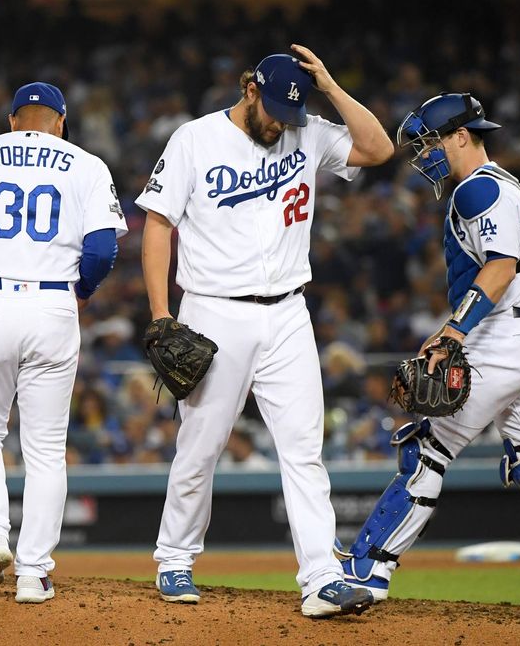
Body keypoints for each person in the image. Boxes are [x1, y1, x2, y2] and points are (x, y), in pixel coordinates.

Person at [337, 93, 520, 616]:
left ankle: (367, 570)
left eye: (429, 143)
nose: (424, 156)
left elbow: (499, 265)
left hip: (503, 336)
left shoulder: (477, 189)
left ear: (461, 136)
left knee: (427, 447)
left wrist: (453, 331)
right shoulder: (502, 184)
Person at [136, 45, 393, 618]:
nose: (281, 122)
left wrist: (327, 85)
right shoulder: (194, 139)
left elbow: (379, 148)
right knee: (200, 446)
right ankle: (175, 557)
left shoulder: (307, 129)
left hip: (288, 312)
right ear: (249, 88)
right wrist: (160, 313)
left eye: (290, 111)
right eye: (274, 107)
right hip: (214, 310)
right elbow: (157, 226)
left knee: (305, 448)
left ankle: (321, 576)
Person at [0, 82, 126, 603]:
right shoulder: (85, 163)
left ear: (13, 120)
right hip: (53, 304)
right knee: (46, 449)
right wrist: (82, 289)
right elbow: (102, 248)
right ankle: (34, 573)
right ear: (60, 121)